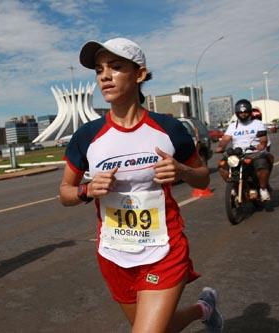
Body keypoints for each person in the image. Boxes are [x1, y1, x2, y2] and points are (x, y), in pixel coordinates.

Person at [59, 37, 223, 332]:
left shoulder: (169, 129)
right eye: (99, 70)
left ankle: (203, 308)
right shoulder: (87, 136)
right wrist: (86, 190)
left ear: (140, 74)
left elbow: (203, 176)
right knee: (163, 326)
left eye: (116, 67)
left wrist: (181, 169)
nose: (105, 76)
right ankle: (204, 309)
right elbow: (64, 193)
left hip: (163, 250)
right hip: (113, 254)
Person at [215, 100, 271, 201]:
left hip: (254, 154)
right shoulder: (233, 126)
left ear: (249, 112)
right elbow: (225, 139)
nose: (243, 114)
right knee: (222, 166)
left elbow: (263, 139)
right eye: (240, 112)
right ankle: (233, 187)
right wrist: (220, 147)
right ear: (237, 113)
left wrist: (262, 145)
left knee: (262, 165)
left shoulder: (257, 123)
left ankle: (263, 189)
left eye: (245, 112)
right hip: (237, 155)